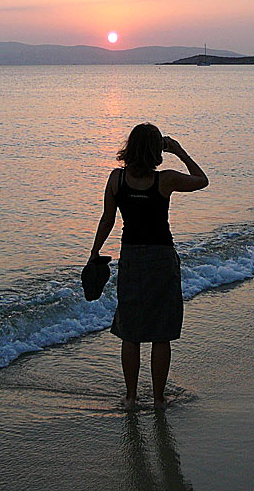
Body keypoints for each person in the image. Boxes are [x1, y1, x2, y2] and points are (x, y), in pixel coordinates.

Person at [89, 123, 209, 410]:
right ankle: (158, 399)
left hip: (131, 257)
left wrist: (94, 252)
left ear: (130, 148)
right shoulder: (164, 180)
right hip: (161, 258)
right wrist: (179, 150)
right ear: (158, 150)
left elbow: (108, 219)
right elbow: (201, 180)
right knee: (160, 332)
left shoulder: (116, 179)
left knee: (131, 331)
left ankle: (130, 397)